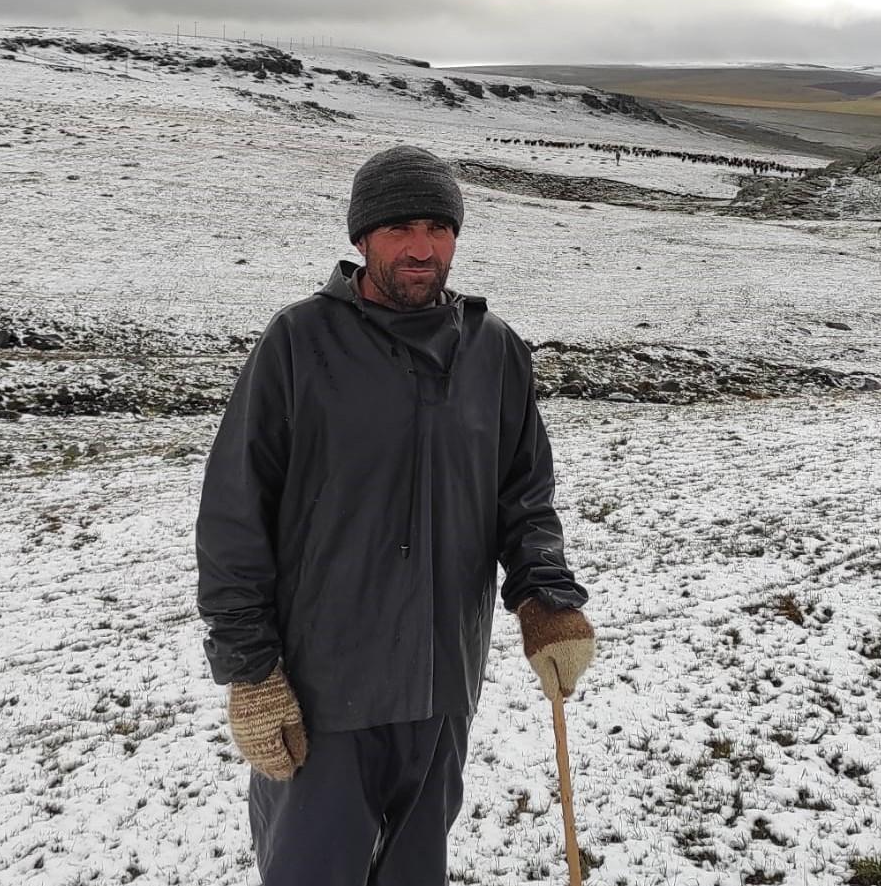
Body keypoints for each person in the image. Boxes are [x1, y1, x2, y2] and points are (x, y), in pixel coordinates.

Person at [195, 144, 596, 885]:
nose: (423, 248)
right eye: (401, 228)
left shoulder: (495, 352)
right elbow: (234, 514)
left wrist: (546, 595)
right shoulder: (298, 343)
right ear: (361, 237)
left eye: (440, 228)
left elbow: (523, 493)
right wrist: (250, 669)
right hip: (323, 693)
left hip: (442, 688)